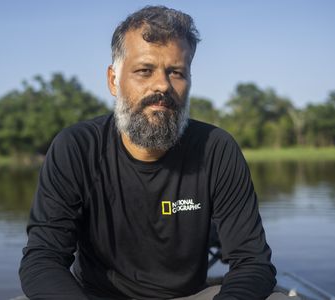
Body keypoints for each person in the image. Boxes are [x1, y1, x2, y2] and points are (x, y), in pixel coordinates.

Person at [20, 5, 277, 300]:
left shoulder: (217, 149)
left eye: (176, 72)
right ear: (113, 80)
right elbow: (42, 259)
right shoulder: (76, 147)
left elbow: (252, 262)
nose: (162, 86)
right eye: (144, 70)